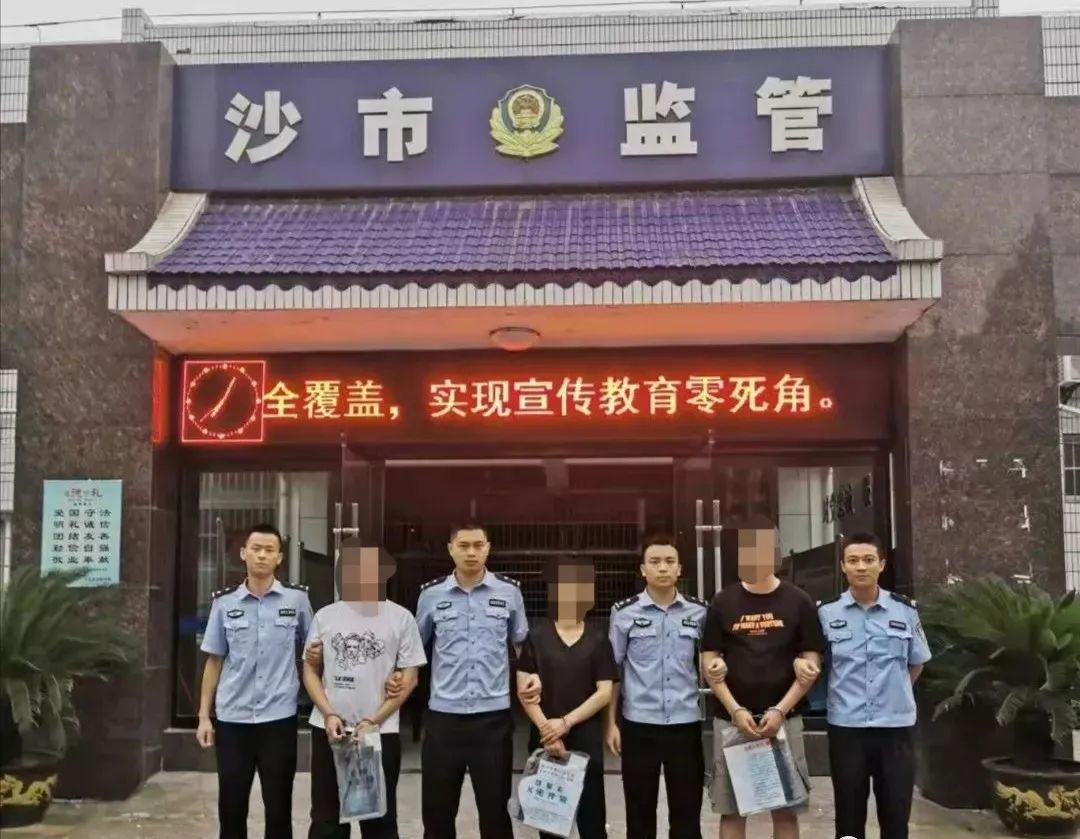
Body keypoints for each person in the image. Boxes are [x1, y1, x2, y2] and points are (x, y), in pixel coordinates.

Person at [795, 531, 931, 839]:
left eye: (868, 560)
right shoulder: (825, 613)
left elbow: (917, 662)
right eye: (853, 560)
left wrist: (895, 693)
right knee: (848, 816)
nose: (861, 567)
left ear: (881, 564)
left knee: (895, 817)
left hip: (895, 727)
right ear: (843, 566)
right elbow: (814, 661)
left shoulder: (905, 610)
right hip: (847, 727)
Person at [415, 522, 541, 839]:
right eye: (463, 545)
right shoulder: (431, 595)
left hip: (492, 721)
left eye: (478, 545)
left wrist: (532, 679)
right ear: (450, 549)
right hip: (444, 719)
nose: (471, 552)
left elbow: (521, 645)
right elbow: (415, 649)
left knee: (495, 813)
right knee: (437, 813)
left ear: (488, 548)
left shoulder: (509, 592)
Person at [700, 522, 824, 839]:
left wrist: (780, 710)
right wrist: (736, 710)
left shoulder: (800, 601)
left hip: (785, 720)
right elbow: (708, 661)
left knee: (785, 811)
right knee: (732, 811)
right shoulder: (722, 602)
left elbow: (811, 662)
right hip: (732, 722)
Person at [303, 541, 427, 839]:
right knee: (326, 821)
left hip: (379, 733)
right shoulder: (325, 616)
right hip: (329, 731)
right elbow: (309, 670)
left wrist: (374, 720)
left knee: (379, 821)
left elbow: (410, 677)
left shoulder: (401, 618)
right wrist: (329, 713)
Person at [197, 522, 314, 839]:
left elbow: (314, 653)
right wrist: (204, 716)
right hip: (233, 719)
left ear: (279, 558)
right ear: (243, 553)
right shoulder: (224, 604)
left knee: (278, 807)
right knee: (231, 806)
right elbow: (214, 660)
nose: (262, 555)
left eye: (269, 550)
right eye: (256, 549)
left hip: (279, 718)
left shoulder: (297, 601)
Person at [607, 534, 710, 839]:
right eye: (654, 562)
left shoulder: (699, 612)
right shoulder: (624, 613)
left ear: (679, 568)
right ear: (643, 570)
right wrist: (610, 723)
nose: (662, 568)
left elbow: (710, 661)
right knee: (639, 813)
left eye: (669, 561)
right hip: (639, 724)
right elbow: (614, 672)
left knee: (687, 813)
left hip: (684, 724)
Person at [515, 556, 617, 839]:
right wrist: (548, 731)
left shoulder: (599, 640)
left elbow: (604, 692)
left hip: (586, 741)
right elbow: (524, 690)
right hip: (546, 740)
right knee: (550, 825)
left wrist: (566, 723)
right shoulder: (536, 637)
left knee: (592, 822)